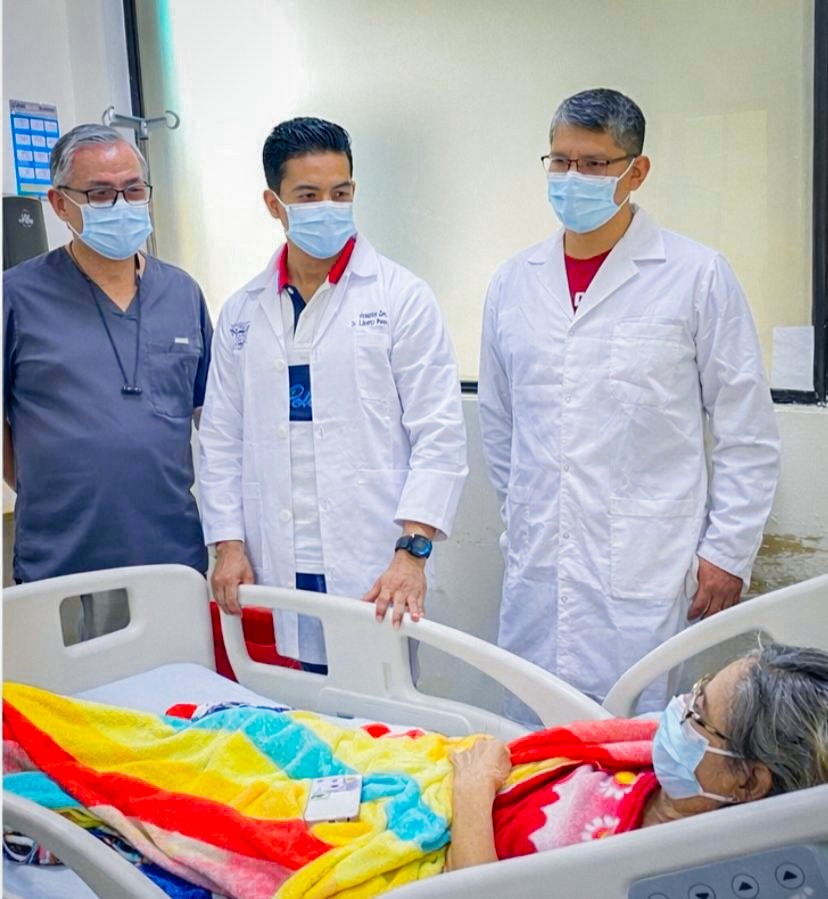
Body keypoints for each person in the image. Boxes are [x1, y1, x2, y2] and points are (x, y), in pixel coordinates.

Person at [479, 88, 780, 713]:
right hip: (540, 563)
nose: (573, 178)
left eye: (594, 163)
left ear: (636, 171)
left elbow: (745, 428)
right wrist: (526, 516)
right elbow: (500, 423)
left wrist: (727, 552)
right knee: (533, 735)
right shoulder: (513, 282)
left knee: (640, 737)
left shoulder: (696, 275)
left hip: (649, 565)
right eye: (560, 161)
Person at [198, 117, 467, 672]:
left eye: (340, 193)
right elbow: (220, 438)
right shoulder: (243, 311)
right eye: (308, 195)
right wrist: (228, 544)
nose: (328, 207)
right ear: (274, 204)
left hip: (376, 568)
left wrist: (412, 554)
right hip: (274, 565)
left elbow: (439, 436)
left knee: (378, 713)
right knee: (286, 711)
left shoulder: (401, 298)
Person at [3, 125, 212, 607]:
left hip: (172, 560)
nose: (121, 205)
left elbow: (213, 420)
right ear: (59, 204)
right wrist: (54, 486)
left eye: (133, 190)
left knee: (179, 660)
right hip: (61, 566)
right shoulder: (15, 297)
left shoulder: (181, 293)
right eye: (99, 194)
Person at [447, 642, 828, 870]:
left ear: (746, 782)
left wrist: (472, 790)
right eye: (698, 688)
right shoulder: (649, 754)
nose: (678, 708)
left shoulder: (660, 871)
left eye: (698, 713)